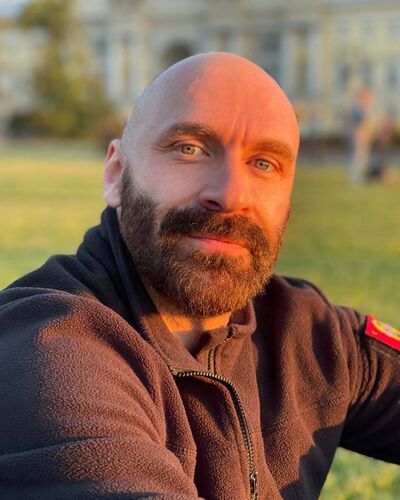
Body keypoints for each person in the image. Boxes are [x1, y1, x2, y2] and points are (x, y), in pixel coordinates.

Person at [0, 53, 399, 500]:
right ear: (116, 174)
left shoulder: (309, 336)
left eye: (264, 163)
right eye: (189, 148)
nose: (229, 194)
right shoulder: (49, 353)